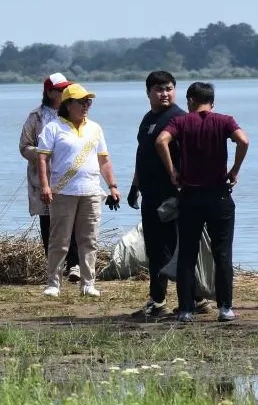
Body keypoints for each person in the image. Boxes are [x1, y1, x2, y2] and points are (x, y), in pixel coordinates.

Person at [156, 82, 250, 322]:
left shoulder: (181, 122)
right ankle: (225, 308)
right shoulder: (224, 120)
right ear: (212, 101)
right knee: (222, 254)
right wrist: (235, 170)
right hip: (218, 195)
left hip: (190, 195)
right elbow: (244, 141)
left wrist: (172, 172)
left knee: (187, 254)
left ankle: (186, 309)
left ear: (189, 100)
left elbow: (161, 141)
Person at [37, 84, 120, 297]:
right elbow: (43, 159)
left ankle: (88, 283)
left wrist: (112, 186)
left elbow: (104, 160)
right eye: (81, 102)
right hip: (63, 192)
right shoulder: (53, 128)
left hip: (91, 191)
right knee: (59, 240)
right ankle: (53, 284)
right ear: (68, 104)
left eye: (88, 102)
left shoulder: (95, 128)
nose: (86, 106)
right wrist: (45, 185)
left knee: (89, 239)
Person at [127, 71, 185, 319]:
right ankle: (159, 299)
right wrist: (134, 186)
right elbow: (142, 155)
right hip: (150, 194)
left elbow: (188, 157)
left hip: (173, 195)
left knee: (177, 248)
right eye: (159, 89)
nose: (165, 93)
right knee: (155, 249)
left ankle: (187, 299)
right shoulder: (148, 119)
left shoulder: (180, 118)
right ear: (148, 92)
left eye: (169, 88)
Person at [19, 73, 80, 282]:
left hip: (69, 175)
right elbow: (24, 147)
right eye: (60, 90)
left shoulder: (74, 113)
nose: (64, 93)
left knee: (72, 221)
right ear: (49, 92)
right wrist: (43, 153)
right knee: (48, 223)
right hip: (42, 177)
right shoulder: (35, 116)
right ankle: (54, 267)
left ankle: (75, 265)